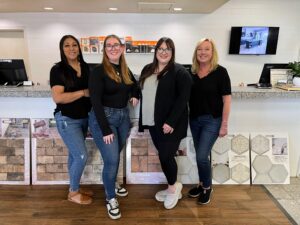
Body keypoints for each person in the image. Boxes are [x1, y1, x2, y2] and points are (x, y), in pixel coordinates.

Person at [88, 34, 139, 220]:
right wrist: (105, 129)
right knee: (111, 160)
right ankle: (110, 198)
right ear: (104, 50)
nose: (112, 48)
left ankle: (113, 182)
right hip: (104, 119)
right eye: (108, 46)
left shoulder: (124, 69)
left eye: (115, 45)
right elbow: (95, 101)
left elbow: (135, 85)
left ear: (122, 48)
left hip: (123, 118)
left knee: (115, 155)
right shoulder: (98, 71)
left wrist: (135, 94)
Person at [138, 37, 192, 210]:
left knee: (165, 156)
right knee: (164, 155)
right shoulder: (148, 69)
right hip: (153, 123)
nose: (163, 52)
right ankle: (174, 185)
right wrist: (133, 94)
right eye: (160, 48)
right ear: (156, 51)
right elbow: (138, 86)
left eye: (167, 49)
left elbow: (183, 99)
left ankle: (172, 189)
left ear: (172, 52)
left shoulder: (179, 71)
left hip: (171, 125)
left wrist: (171, 122)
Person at [188, 38, 231, 204]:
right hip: (194, 120)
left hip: (212, 120)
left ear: (212, 53)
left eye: (206, 49)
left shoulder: (220, 72)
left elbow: (227, 100)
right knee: (201, 156)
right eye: (199, 49)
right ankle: (201, 183)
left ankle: (207, 187)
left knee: (201, 156)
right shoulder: (190, 72)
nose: (203, 52)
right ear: (195, 52)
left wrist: (224, 124)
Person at [50, 35, 92, 205]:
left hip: (83, 118)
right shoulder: (58, 70)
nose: (71, 48)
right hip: (67, 119)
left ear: (79, 47)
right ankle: (73, 193)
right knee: (81, 156)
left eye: (74, 45)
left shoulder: (86, 67)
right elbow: (58, 98)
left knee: (74, 156)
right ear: (62, 49)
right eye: (67, 45)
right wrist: (83, 92)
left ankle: (74, 187)